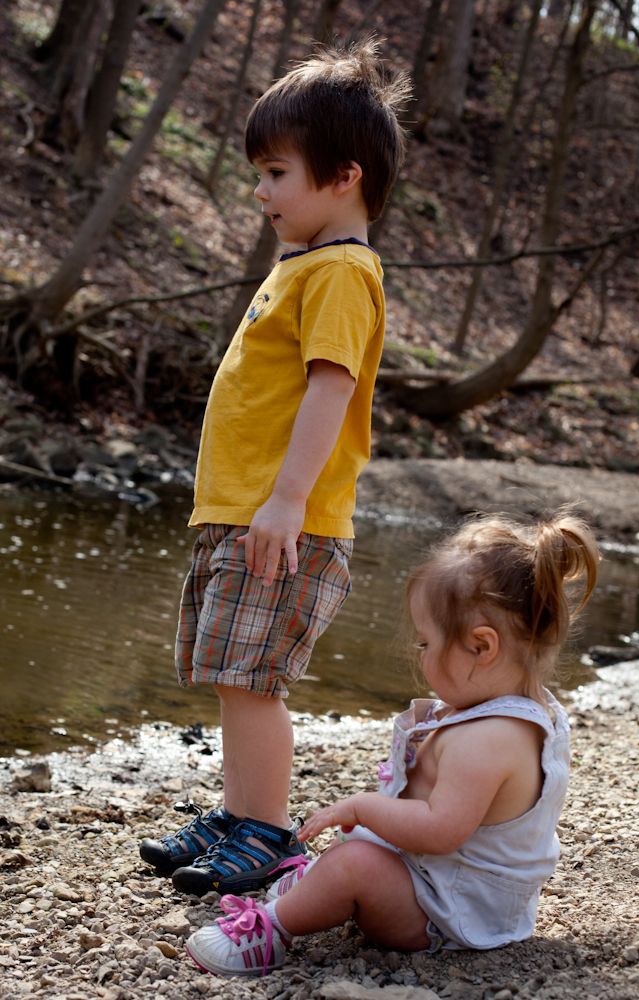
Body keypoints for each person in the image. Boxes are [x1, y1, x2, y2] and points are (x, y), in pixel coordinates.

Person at [138, 39, 409, 897]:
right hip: (244, 511)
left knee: (252, 683)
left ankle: (266, 831)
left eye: (275, 172)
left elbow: (330, 389)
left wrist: (286, 500)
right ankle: (238, 812)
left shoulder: (339, 272)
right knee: (231, 675)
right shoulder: (302, 268)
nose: (260, 191)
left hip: (284, 520)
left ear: (342, 177)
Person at [184, 510, 600, 976]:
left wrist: (363, 807)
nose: (420, 656)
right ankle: (316, 889)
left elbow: (440, 830)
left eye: (426, 644)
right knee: (352, 857)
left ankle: (268, 933)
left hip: (449, 914)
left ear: (482, 648)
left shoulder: (490, 739)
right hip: (451, 887)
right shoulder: (525, 710)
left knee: (353, 865)